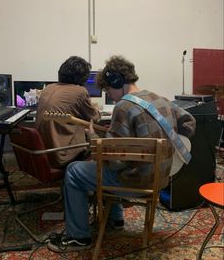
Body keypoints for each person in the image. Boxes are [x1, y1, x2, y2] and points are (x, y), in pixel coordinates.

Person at [47, 55, 196, 252]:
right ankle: (115, 220)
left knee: (75, 170)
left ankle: (78, 238)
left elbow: (114, 162)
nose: (110, 95)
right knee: (112, 167)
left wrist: (93, 138)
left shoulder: (123, 106)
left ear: (117, 81)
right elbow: (189, 122)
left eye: (108, 90)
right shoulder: (159, 98)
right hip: (161, 179)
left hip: (134, 182)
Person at [35, 56, 101, 169]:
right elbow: (95, 118)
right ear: (83, 78)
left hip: (44, 153)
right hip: (61, 155)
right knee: (97, 136)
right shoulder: (80, 91)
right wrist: (96, 108)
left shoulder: (48, 88)